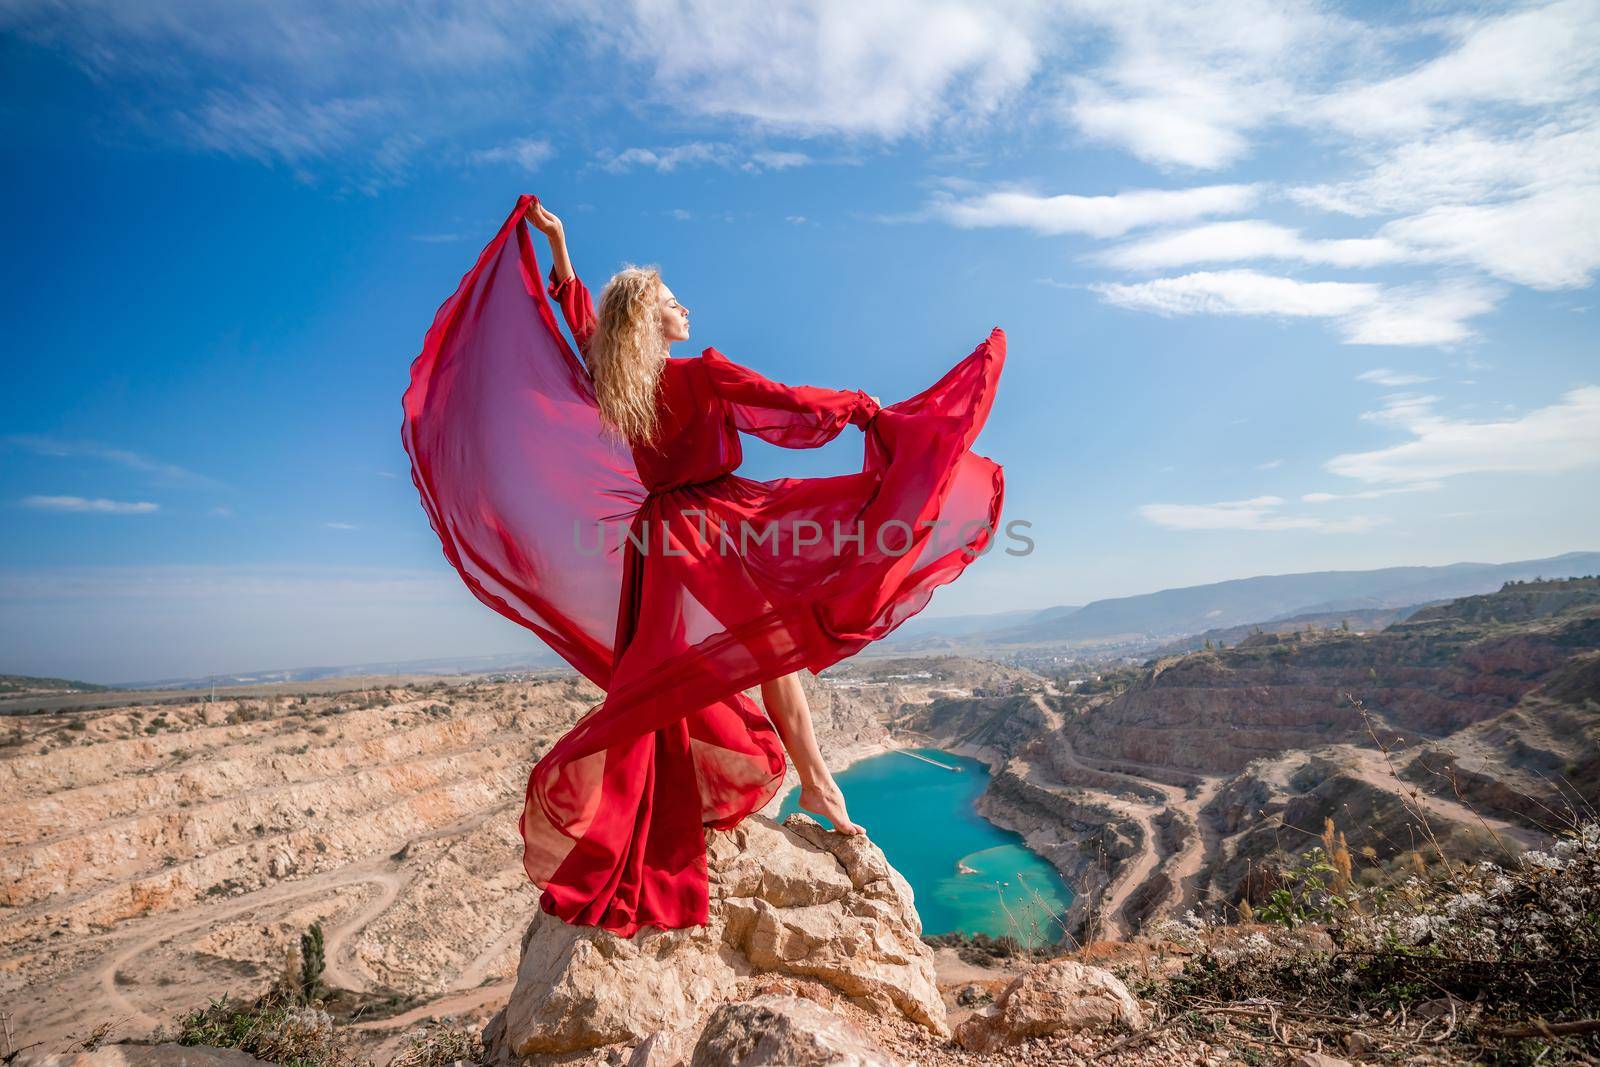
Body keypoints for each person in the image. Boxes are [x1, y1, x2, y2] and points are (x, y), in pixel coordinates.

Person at [401, 193, 1005, 937]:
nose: (684, 308)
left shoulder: (621, 384)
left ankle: (811, 785)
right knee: (787, 629)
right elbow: (785, 406)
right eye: (671, 301)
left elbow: (587, 325)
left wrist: (560, 261)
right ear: (652, 318)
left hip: (658, 548)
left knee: (704, 673)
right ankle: (817, 785)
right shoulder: (699, 373)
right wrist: (861, 406)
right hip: (720, 527)